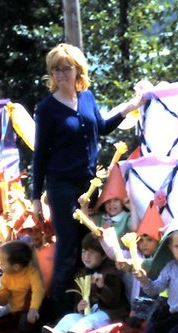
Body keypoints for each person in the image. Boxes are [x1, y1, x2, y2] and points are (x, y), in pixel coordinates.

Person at [30, 43, 147, 319]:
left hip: (91, 186)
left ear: (78, 70)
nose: (61, 75)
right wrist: (36, 197)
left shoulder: (87, 98)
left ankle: (96, 307)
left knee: (96, 246)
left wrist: (131, 106)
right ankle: (59, 315)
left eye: (66, 69)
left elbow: (102, 127)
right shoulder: (46, 109)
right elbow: (40, 156)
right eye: (55, 70)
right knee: (69, 249)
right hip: (62, 189)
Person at [28, 233, 128, 333]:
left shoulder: (110, 273)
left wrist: (102, 287)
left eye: (92, 252)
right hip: (89, 313)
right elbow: (78, 300)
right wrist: (79, 308)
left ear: (103, 256)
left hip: (108, 314)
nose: (86, 256)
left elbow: (114, 302)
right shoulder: (81, 275)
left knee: (87, 321)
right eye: (84, 252)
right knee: (69, 317)